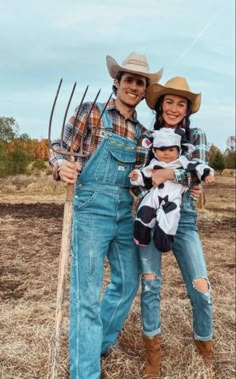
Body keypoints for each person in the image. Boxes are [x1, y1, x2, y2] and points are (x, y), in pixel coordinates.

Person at [49, 52, 163, 379]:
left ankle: (95, 342)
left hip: (125, 212)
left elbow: (143, 181)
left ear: (144, 89)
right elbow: (59, 145)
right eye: (128, 79)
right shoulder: (92, 113)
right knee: (85, 296)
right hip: (90, 209)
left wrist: (178, 185)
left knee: (128, 281)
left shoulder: (143, 133)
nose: (133, 86)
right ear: (117, 82)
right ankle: (85, 372)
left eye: (140, 82)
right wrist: (61, 165)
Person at [136, 76, 215, 378]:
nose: (174, 107)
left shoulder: (197, 135)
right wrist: (163, 180)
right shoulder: (146, 137)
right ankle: (153, 354)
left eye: (181, 103)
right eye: (169, 101)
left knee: (201, 287)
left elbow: (199, 175)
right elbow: (140, 177)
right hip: (150, 216)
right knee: (151, 284)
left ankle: (204, 346)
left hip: (185, 221)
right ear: (159, 105)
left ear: (187, 109)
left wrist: (167, 173)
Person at [129, 127, 214, 252]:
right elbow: (144, 176)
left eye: (171, 149)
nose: (166, 153)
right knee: (144, 212)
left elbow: (198, 167)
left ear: (179, 150)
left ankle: (163, 240)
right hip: (154, 196)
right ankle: (141, 236)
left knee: (170, 218)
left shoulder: (182, 162)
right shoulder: (153, 164)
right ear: (154, 151)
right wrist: (136, 176)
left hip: (172, 199)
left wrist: (207, 174)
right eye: (162, 150)